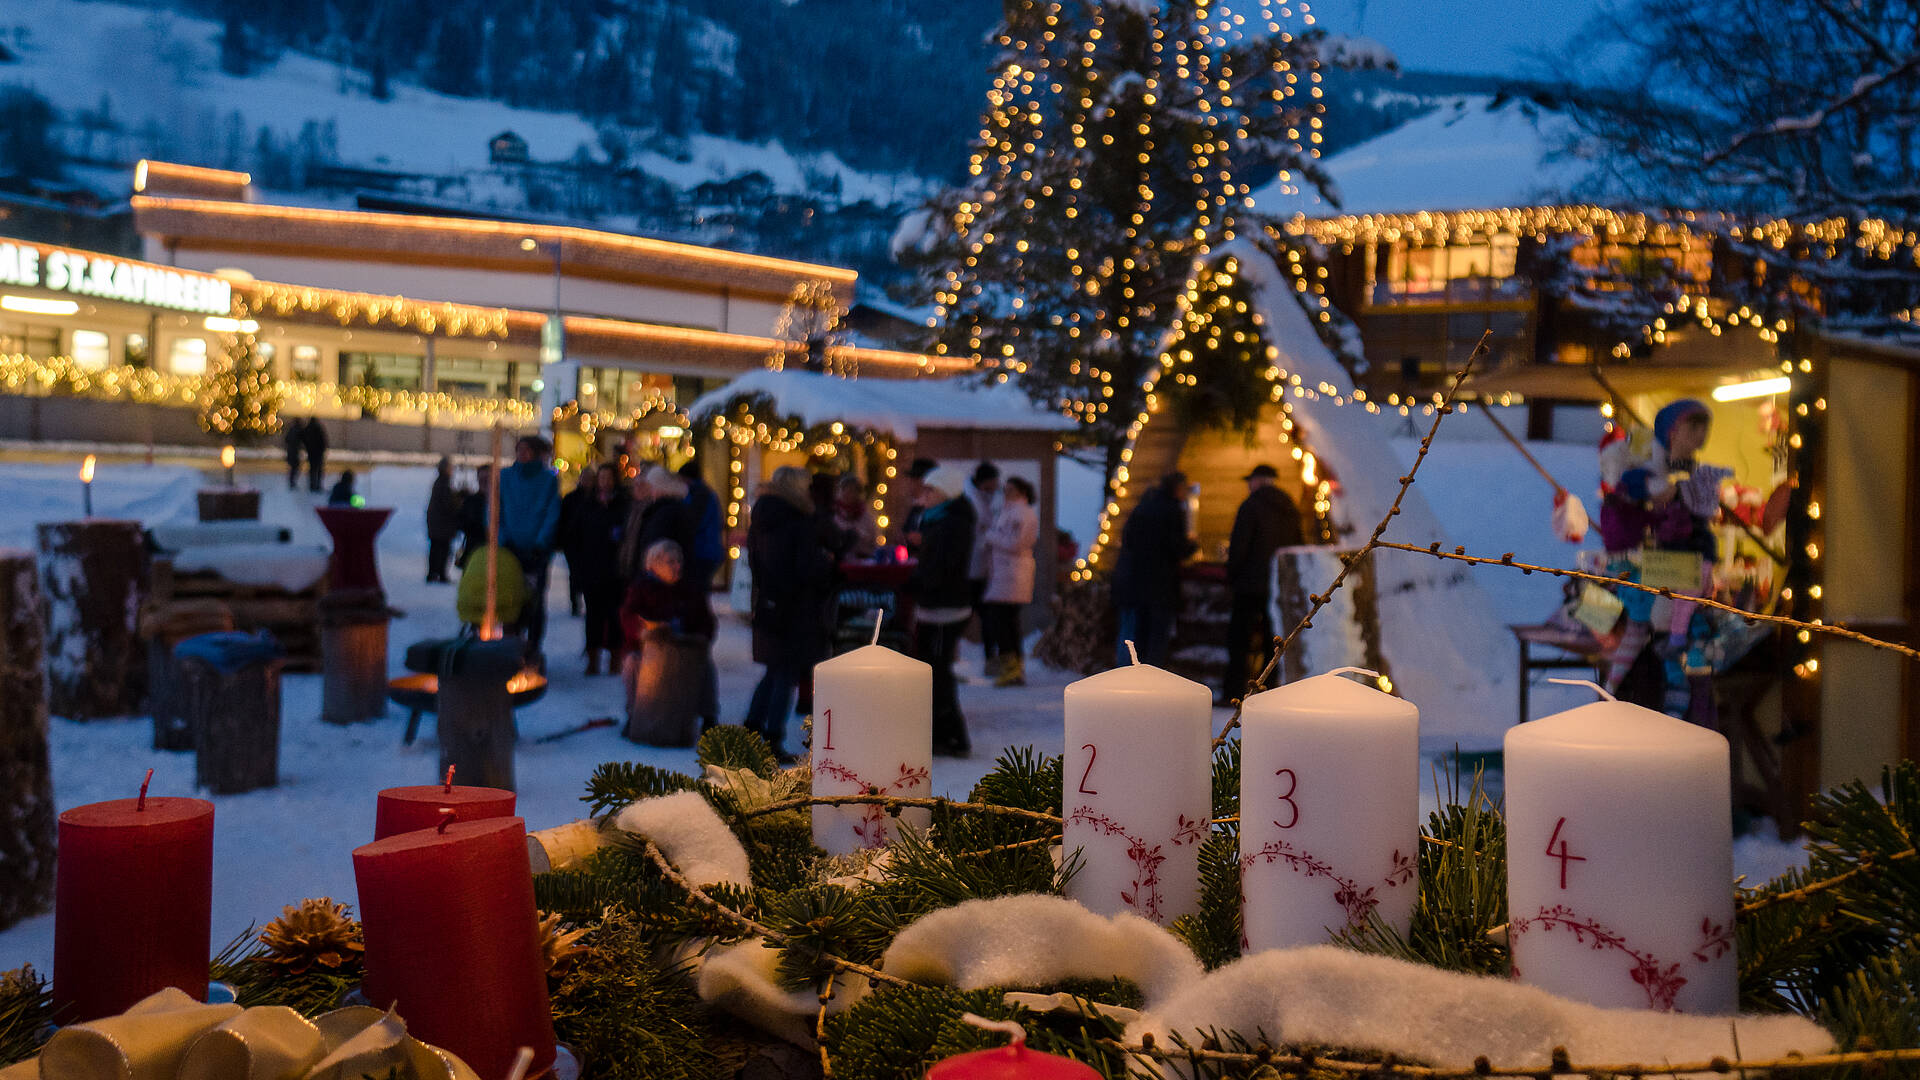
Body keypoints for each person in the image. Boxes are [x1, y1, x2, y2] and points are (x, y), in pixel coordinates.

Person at [743, 466, 830, 763]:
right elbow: (804, 568)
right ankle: (770, 738)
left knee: (773, 671)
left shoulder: (763, 516)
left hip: (768, 603)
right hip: (793, 608)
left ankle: (752, 731)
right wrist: (826, 565)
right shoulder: (797, 520)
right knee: (785, 674)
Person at [621, 539, 720, 746]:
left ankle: (709, 717)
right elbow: (628, 617)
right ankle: (635, 714)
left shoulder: (690, 589)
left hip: (685, 649)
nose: (677, 566)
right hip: (650, 650)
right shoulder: (642, 588)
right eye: (670, 561)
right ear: (654, 564)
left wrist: (700, 637)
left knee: (707, 667)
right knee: (631, 663)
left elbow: (707, 622)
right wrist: (646, 629)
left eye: (679, 562)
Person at [1222, 463, 1305, 701]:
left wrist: (1231, 575)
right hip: (1277, 585)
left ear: (1259, 481)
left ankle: (1234, 690)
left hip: (1249, 586)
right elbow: (1297, 545)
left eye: (1251, 480)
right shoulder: (1289, 507)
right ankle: (1267, 690)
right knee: (1273, 640)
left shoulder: (1251, 506)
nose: (1249, 485)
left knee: (1239, 640)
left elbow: (1239, 547)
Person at [912, 468, 977, 756]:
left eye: (930, 491)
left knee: (938, 671)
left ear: (944, 493)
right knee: (934, 670)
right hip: (936, 605)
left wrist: (917, 582)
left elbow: (942, 568)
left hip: (944, 608)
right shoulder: (938, 520)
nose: (924, 496)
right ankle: (941, 732)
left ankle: (952, 736)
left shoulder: (951, 523)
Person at [1109, 471, 1196, 668]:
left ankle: (1132, 673)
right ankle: (1152, 675)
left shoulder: (1142, 508)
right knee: (1157, 634)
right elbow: (1175, 546)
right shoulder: (1171, 510)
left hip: (1136, 581)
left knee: (1138, 633)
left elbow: (1128, 540)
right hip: (1160, 583)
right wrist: (1191, 546)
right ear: (1177, 488)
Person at [565, 462, 632, 676]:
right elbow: (574, 537)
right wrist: (578, 565)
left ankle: (614, 657)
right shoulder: (588, 505)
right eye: (601, 478)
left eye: (608, 478)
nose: (605, 482)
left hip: (615, 571)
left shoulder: (623, 506)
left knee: (614, 616)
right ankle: (592, 656)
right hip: (592, 569)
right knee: (593, 615)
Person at [497, 435, 562, 652]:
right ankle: (509, 644)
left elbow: (552, 513)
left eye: (527, 450)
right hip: (509, 549)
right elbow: (495, 511)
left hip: (536, 551)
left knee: (534, 601)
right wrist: (503, 540)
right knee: (509, 597)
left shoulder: (547, 480)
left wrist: (541, 543)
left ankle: (532, 646)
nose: (522, 455)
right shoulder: (505, 477)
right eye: (519, 450)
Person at [981, 475, 1039, 687]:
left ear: (1022, 493)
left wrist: (991, 537)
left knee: (1004, 622)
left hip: (1012, 576)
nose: (1006, 494)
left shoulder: (1022, 514)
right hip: (1003, 575)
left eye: (1011, 490)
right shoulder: (1007, 512)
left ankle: (1012, 666)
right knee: (1004, 622)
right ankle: (1011, 665)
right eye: (1005, 490)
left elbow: (1016, 543)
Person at [679, 459, 725, 591]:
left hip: (702, 550)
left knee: (697, 591)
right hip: (709, 550)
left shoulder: (699, 495)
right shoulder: (706, 493)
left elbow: (695, 522)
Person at [965, 462, 1002, 619]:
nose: (996, 485)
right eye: (994, 481)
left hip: (985, 565)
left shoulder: (990, 496)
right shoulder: (970, 499)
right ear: (985, 481)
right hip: (971, 564)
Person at [426, 456, 461, 584]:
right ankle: (440, 574)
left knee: (436, 549)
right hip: (442, 525)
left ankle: (433, 573)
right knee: (442, 550)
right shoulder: (444, 483)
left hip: (436, 524)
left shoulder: (440, 482)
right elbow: (448, 504)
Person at [832, 474, 881, 558]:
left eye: (852, 491)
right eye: (845, 490)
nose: (848, 494)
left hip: (862, 558)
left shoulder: (865, 515)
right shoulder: (834, 513)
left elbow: (873, 539)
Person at [900, 457, 939, 556]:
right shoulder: (915, 509)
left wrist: (924, 539)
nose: (909, 484)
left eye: (912, 480)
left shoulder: (938, 510)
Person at [455, 464, 492, 569]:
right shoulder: (471, 500)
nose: (484, 483)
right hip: (473, 550)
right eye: (482, 479)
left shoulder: (501, 501)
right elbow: (460, 522)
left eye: (487, 479)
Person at [301, 417, 329, 494]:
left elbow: (303, 439)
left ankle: (312, 485)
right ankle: (318, 485)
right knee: (319, 470)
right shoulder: (318, 428)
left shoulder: (307, 429)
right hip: (318, 453)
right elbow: (323, 440)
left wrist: (307, 447)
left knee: (312, 470)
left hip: (311, 453)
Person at [282, 418, 304, 491]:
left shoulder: (291, 430)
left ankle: (292, 482)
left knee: (293, 468)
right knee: (295, 468)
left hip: (291, 452)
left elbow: (286, 440)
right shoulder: (298, 431)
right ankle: (292, 483)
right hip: (294, 453)